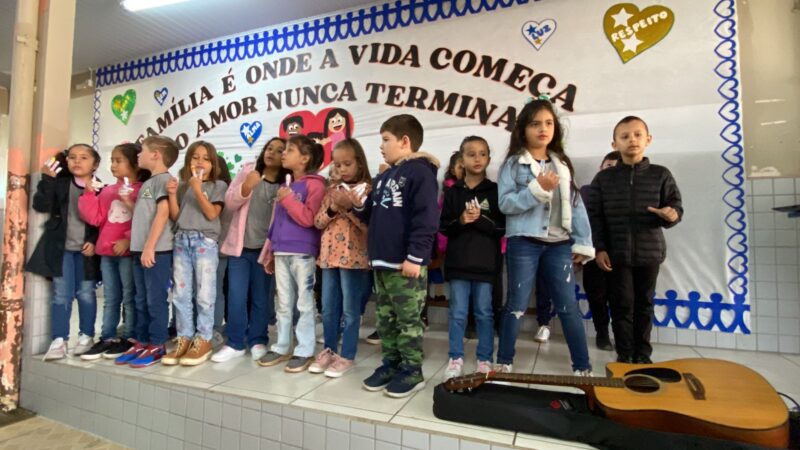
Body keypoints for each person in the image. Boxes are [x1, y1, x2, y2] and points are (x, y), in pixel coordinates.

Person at [496, 99, 594, 376]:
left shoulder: (561, 163)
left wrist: (583, 242)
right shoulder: (513, 165)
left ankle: (583, 367)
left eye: (549, 123)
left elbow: (575, 204)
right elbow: (506, 204)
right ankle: (504, 361)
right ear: (523, 129)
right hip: (524, 241)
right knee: (516, 304)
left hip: (559, 244)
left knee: (568, 307)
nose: (543, 128)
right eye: (535, 123)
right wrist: (537, 189)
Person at [355, 114, 439, 398]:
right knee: (386, 319)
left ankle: (412, 371)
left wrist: (415, 257)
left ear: (405, 141)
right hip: (382, 262)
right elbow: (372, 214)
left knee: (407, 320)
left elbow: (426, 219)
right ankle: (391, 365)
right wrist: (357, 205)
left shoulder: (420, 173)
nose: (381, 146)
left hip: (405, 264)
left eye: (386, 140)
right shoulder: (384, 176)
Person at [587, 117, 682, 364]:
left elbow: (675, 208)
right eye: (625, 136)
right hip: (616, 254)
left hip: (650, 253)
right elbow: (594, 218)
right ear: (615, 143)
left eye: (638, 135)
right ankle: (625, 354)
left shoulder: (661, 175)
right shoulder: (604, 179)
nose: (632, 140)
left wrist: (671, 215)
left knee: (645, 305)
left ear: (648, 139)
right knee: (621, 305)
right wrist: (600, 248)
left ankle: (643, 355)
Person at [257, 135, 326, 373]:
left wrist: (288, 201)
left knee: (305, 303)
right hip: (281, 251)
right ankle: (282, 344)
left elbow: (310, 219)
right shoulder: (285, 187)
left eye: (289, 150)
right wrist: (270, 250)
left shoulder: (315, 184)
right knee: (283, 303)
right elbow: (276, 223)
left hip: (303, 253)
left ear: (305, 158)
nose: (283, 153)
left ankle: (305, 349)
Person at [213, 138, 286, 362]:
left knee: (261, 298)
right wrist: (246, 187)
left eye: (279, 150)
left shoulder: (286, 182)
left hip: (265, 251)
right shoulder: (249, 171)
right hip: (240, 249)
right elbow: (229, 203)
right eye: (269, 148)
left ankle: (258, 339)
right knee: (236, 295)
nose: (271, 153)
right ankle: (235, 342)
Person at [440, 136, 505, 380]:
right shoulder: (453, 192)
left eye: (482, 154)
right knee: (457, 313)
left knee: (484, 313)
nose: (477, 159)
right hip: (458, 264)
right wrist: (461, 221)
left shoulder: (495, 190)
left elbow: (501, 228)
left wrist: (480, 220)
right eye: (471, 154)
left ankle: (484, 359)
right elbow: (444, 227)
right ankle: (455, 357)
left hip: (486, 264)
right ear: (462, 159)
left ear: (488, 157)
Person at [29, 145, 101, 360]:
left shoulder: (100, 188)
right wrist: (47, 179)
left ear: (95, 164)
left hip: (87, 253)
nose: (77, 161)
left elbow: (103, 221)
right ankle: (59, 339)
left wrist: (93, 241)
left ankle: (86, 336)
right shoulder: (59, 184)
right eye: (72, 157)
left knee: (86, 294)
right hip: (62, 251)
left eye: (84, 157)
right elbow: (41, 205)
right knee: (61, 295)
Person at [78, 143, 149, 360]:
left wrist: (127, 241)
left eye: (119, 161)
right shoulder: (108, 190)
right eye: (112, 161)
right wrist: (89, 195)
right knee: (110, 297)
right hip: (106, 254)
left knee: (129, 295)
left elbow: (145, 220)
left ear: (135, 163)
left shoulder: (142, 190)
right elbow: (96, 218)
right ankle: (108, 336)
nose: (114, 166)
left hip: (127, 254)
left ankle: (129, 336)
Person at [309, 138, 372, 378]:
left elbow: (367, 226)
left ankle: (347, 355)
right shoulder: (331, 190)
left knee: (350, 308)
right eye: (338, 164)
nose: (342, 169)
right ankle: (329, 350)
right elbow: (318, 222)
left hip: (353, 258)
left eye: (347, 164)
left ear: (359, 163)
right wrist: (334, 208)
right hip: (328, 258)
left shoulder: (366, 189)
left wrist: (349, 207)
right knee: (328, 307)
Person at [161, 141, 228, 366]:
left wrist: (198, 189)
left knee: (204, 294)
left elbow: (211, 214)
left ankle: (205, 338)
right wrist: (172, 194)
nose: (200, 162)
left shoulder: (218, 186)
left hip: (204, 242)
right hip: (181, 240)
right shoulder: (183, 186)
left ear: (213, 164)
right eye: (195, 157)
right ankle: (184, 337)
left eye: (206, 158)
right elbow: (175, 216)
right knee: (180, 294)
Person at [114, 135, 179, 368]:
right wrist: (127, 202)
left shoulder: (164, 180)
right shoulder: (149, 183)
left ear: (156, 155)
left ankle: (158, 342)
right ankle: (142, 341)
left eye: (142, 151)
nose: (138, 155)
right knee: (140, 298)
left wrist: (150, 247)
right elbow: (146, 213)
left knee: (154, 300)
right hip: (139, 249)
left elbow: (163, 214)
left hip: (155, 251)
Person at [579, 151, 621, 351]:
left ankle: (622, 337)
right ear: (601, 167)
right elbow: (581, 223)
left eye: (616, 167)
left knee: (622, 297)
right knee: (597, 296)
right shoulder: (586, 191)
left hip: (621, 252)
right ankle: (602, 335)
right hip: (592, 251)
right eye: (608, 165)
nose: (611, 170)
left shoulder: (625, 193)